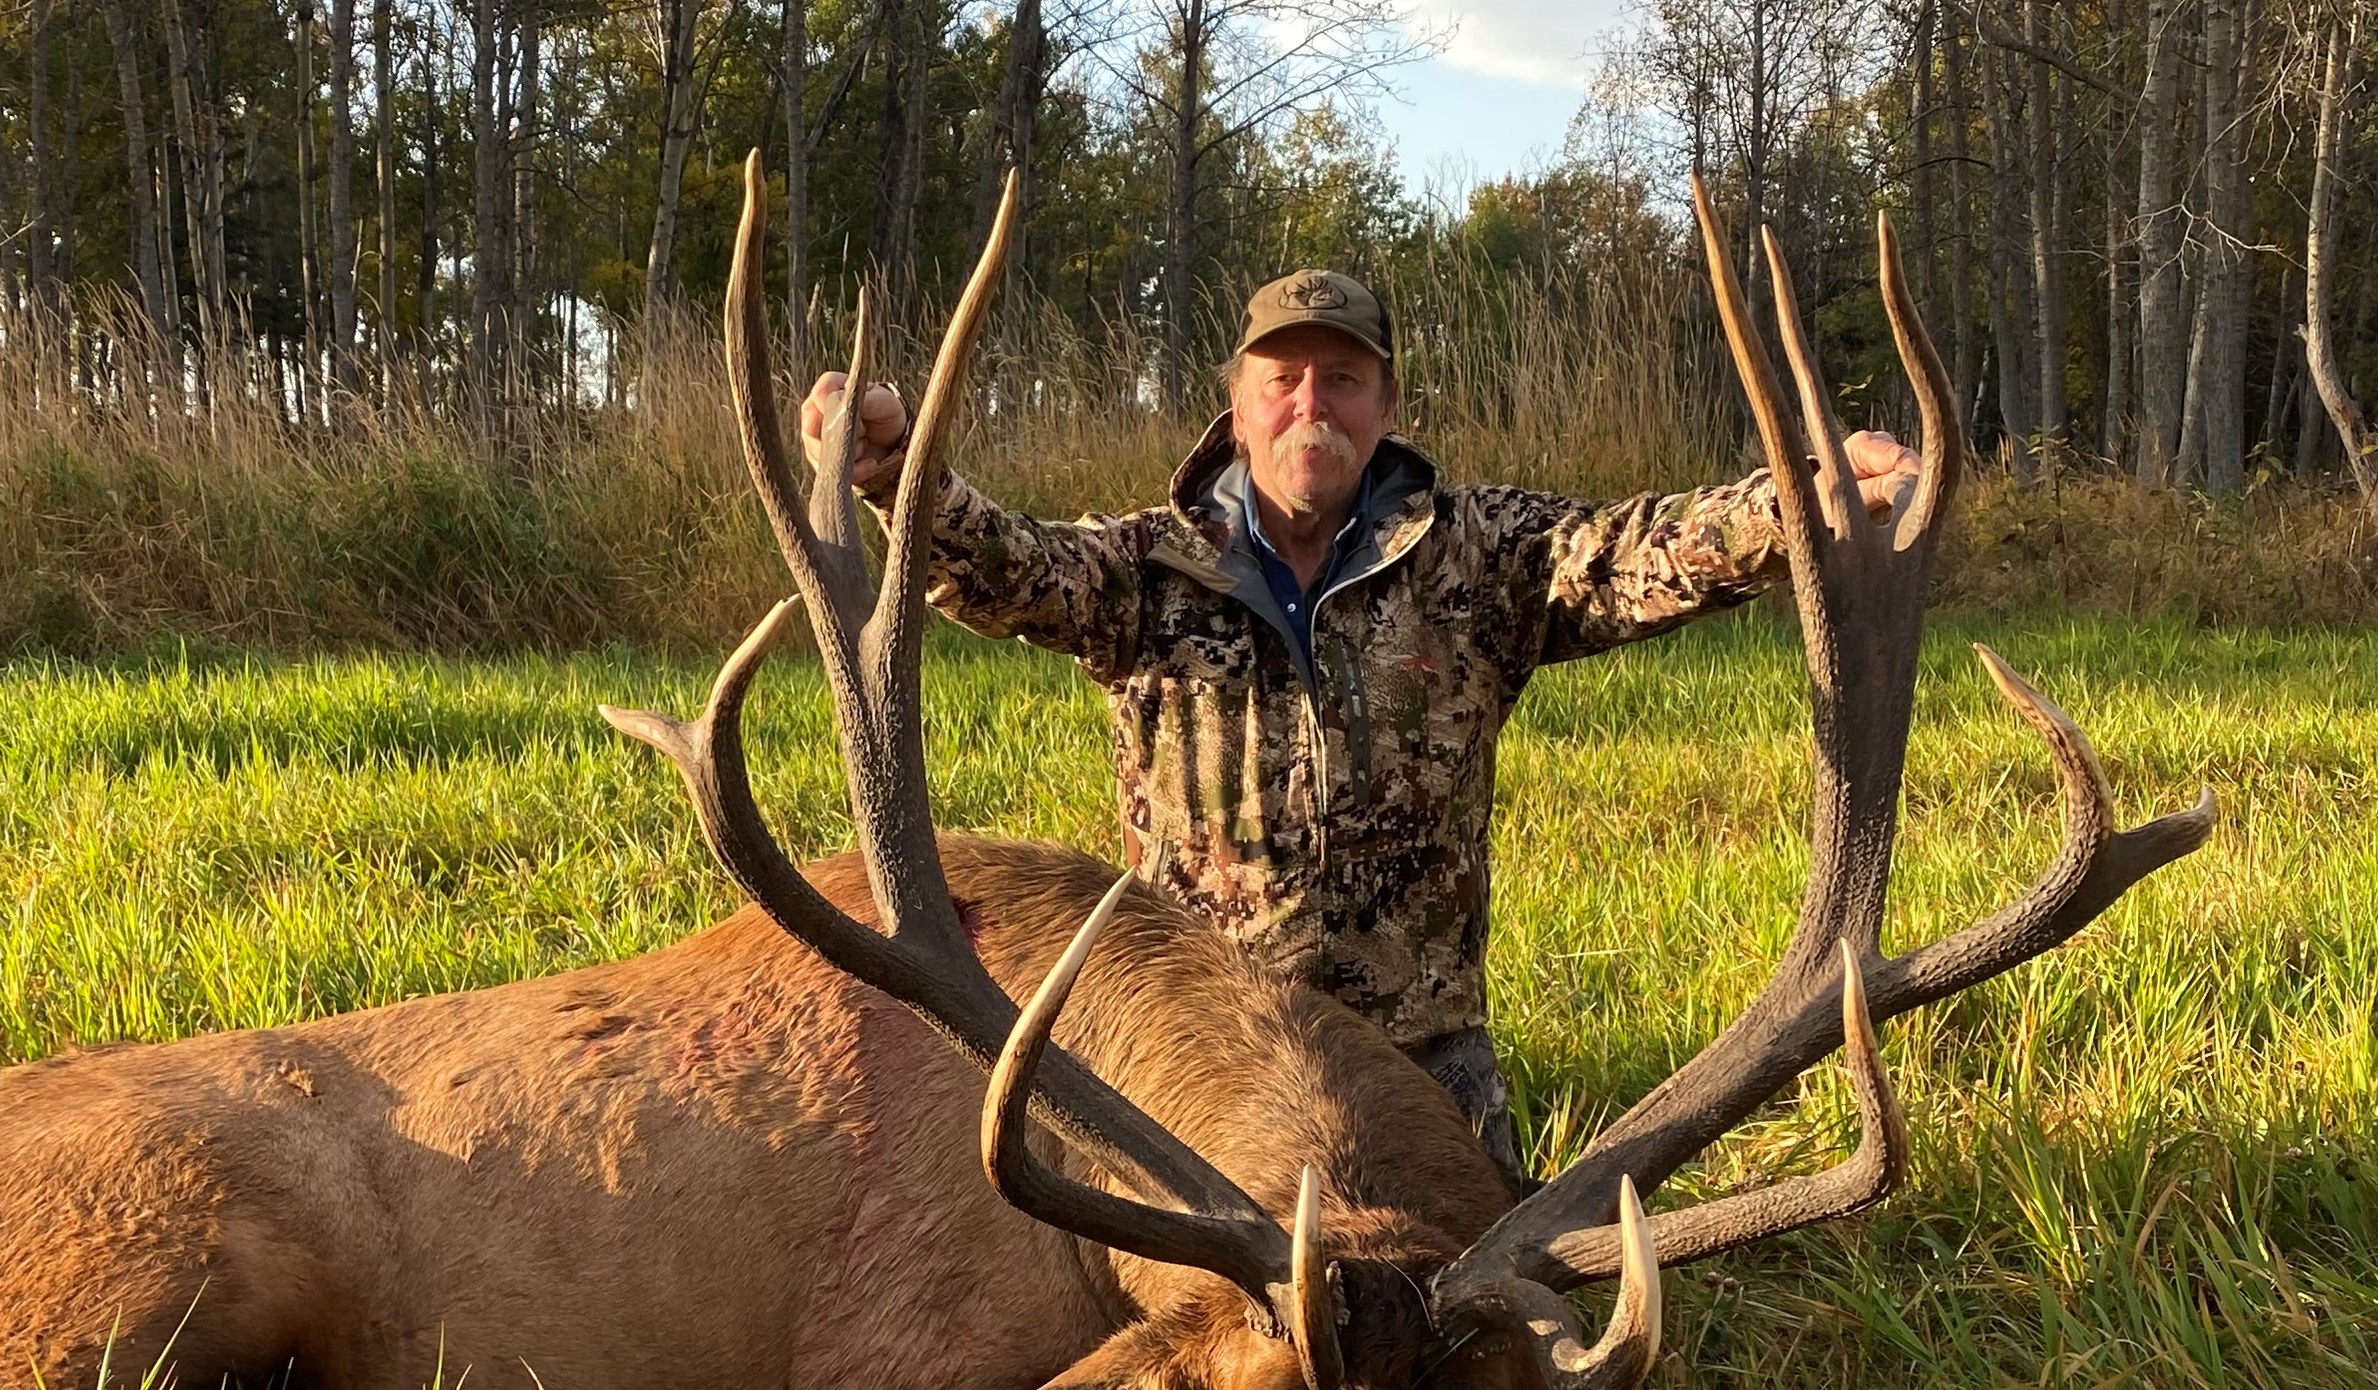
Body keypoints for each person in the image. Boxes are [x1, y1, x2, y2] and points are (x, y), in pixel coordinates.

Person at [801, 260, 1916, 1184]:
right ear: (1237, 404)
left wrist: (1799, 500)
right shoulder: (1144, 568)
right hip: (1204, 1064)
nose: (1311, 406)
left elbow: (1633, 550)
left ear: (1386, 408)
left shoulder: (1478, 556)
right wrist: (902, 474)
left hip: (1425, 1061)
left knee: (1477, 1348)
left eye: (1342, 379)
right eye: (1282, 379)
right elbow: (1011, 569)